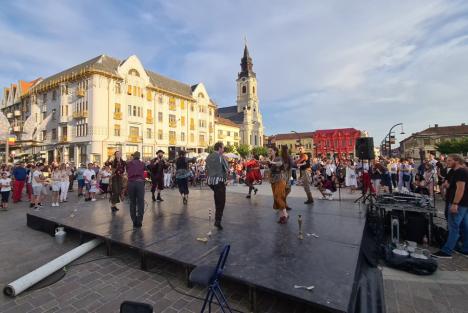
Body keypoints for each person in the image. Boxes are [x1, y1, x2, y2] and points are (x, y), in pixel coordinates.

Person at [432, 154, 468, 258]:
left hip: (458, 203)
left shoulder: (461, 171)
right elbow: (449, 184)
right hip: (462, 203)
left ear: (456, 161)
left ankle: (447, 251)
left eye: (449, 160)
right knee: (464, 226)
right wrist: (445, 186)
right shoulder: (455, 171)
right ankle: (465, 249)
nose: (446, 162)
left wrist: (455, 204)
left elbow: (460, 189)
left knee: (453, 226)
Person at [206, 142, 229, 230]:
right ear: (219, 148)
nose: (223, 150)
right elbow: (226, 169)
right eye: (222, 148)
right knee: (221, 201)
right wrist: (225, 160)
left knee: (217, 198)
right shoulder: (220, 157)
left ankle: (217, 220)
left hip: (211, 181)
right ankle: (217, 221)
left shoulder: (208, 156)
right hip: (219, 181)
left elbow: (207, 168)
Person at [266, 146, 288, 224]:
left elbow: (280, 163)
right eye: (269, 151)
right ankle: (282, 216)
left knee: (279, 196)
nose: (269, 152)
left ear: (275, 151)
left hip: (280, 179)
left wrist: (271, 162)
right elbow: (271, 168)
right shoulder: (271, 159)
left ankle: (285, 215)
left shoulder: (279, 158)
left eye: (271, 150)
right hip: (273, 180)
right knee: (276, 197)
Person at [126, 151, 146, 228]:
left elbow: (127, 170)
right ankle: (139, 221)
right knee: (141, 202)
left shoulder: (128, 163)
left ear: (133, 156)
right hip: (140, 183)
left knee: (132, 202)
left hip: (131, 183)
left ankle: (134, 221)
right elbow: (145, 169)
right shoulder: (142, 163)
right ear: (139, 156)